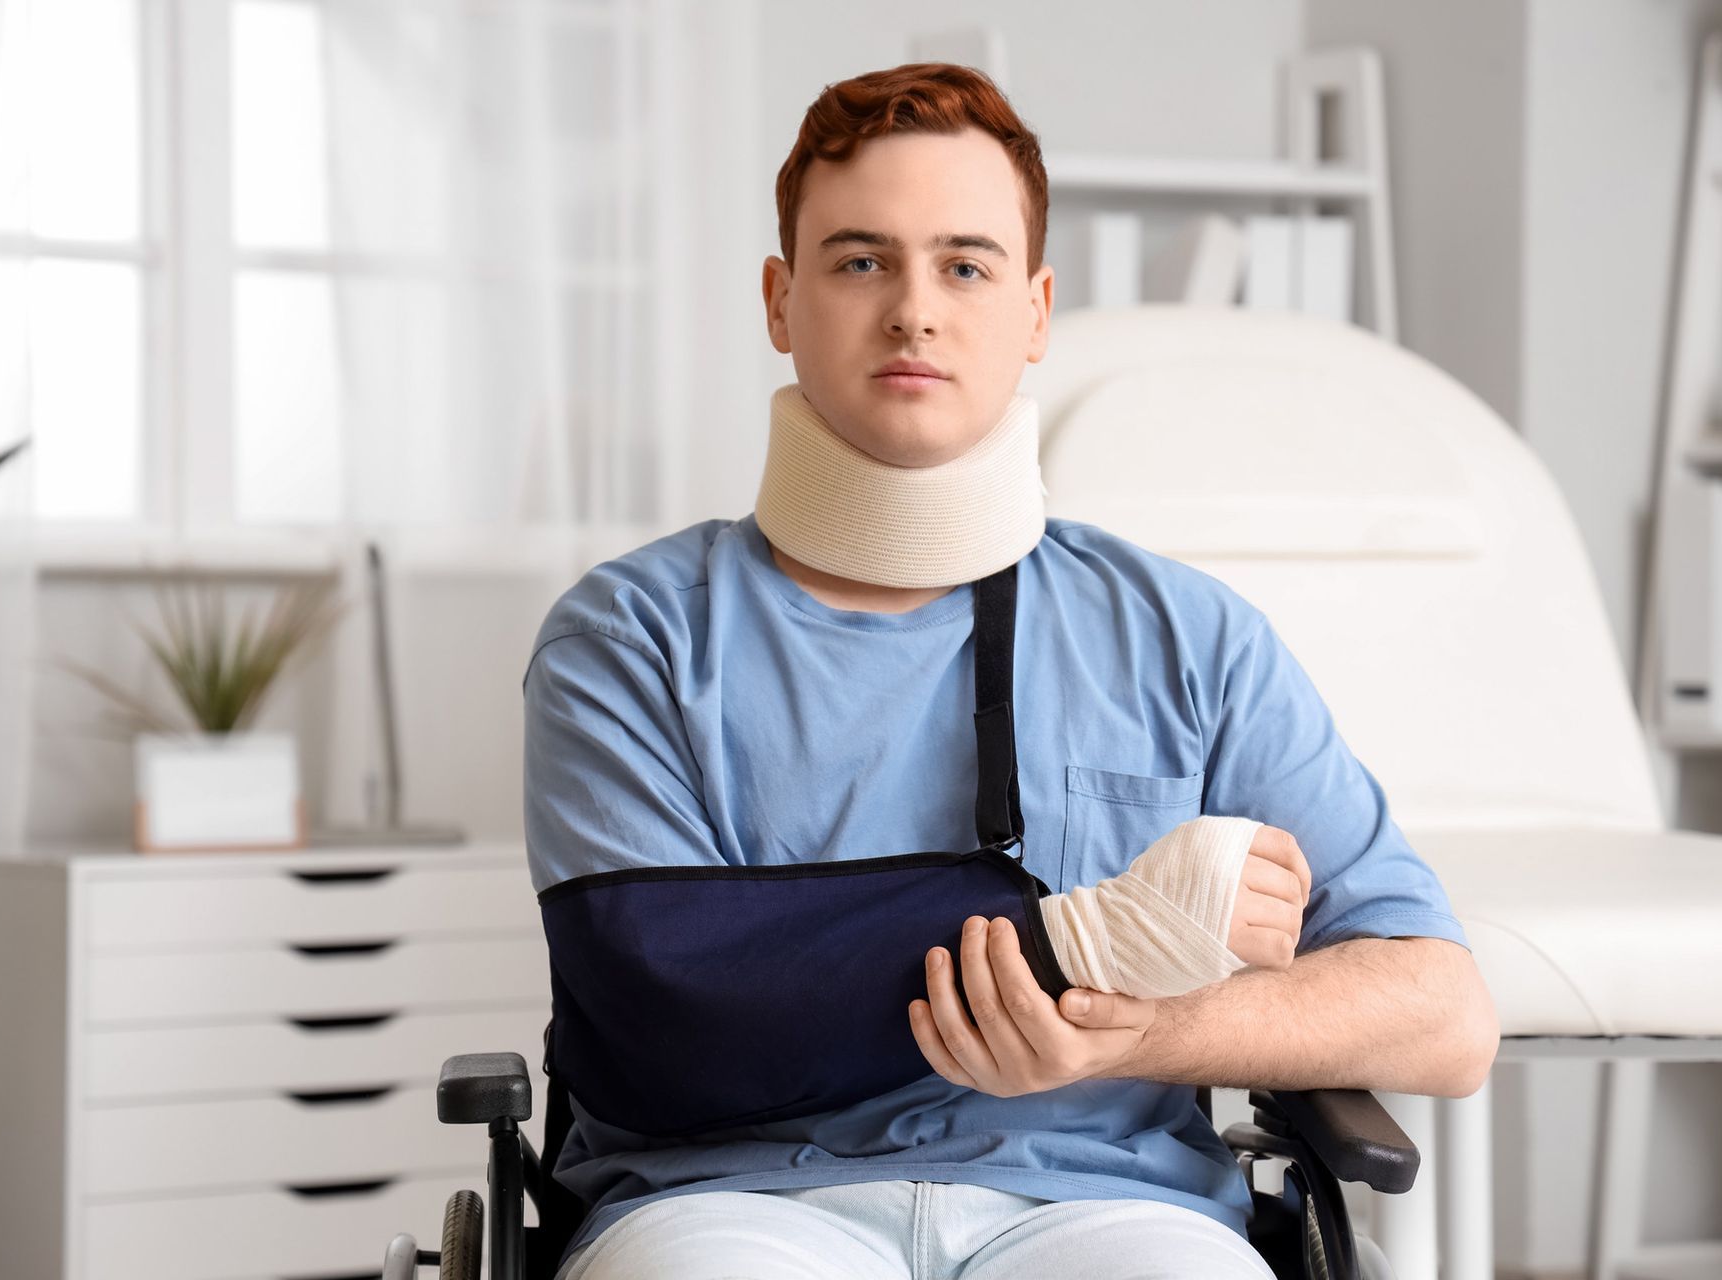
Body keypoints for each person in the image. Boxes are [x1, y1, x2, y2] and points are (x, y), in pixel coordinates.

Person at [523, 61, 1499, 1280]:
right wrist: (1090, 937)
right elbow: (667, 1005)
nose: (915, 311)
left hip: (1109, 1206)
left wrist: (1142, 1028)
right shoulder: (632, 638)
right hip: (734, 1199)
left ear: (1036, 310)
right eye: (861, 260)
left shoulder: (1186, 634)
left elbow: (1445, 1015)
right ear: (781, 300)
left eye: (965, 265)